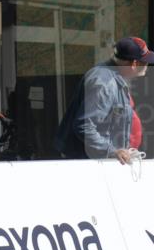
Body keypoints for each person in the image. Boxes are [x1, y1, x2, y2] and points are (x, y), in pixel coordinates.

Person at [54, 36, 152, 164]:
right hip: (87, 164)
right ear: (134, 64)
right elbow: (84, 126)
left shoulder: (114, 75)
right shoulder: (104, 83)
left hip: (100, 161)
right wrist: (113, 151)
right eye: (145, 62)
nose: (147, 66)